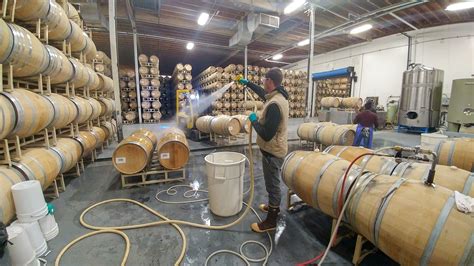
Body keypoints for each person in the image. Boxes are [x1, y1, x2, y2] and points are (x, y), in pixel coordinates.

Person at [238, 68, 289, 233]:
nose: (262, 83)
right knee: (271, 184)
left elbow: (267, 135)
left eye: (264, 80)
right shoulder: (278, 96)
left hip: (272, 152)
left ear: (270, 81)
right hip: (274, 148)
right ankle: (272, 207)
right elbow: (262, 94)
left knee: (273, 185)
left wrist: (254, 121)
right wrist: (248, 84)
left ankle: (271, 221)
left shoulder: (274, 105)